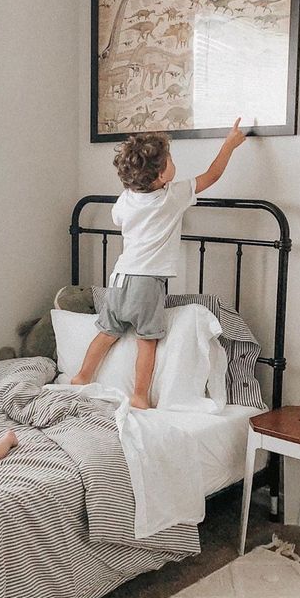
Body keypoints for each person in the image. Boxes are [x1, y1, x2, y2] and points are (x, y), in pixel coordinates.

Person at [71, 119, 247, 408]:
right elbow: (211, 176)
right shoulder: (171, 196)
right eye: (170, 159)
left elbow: (117, 219)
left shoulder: (126, 198)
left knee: (106, 332)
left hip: (118, 278)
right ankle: (139, 395)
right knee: (147, 341)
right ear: (162, 175)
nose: (173, 162)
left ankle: (81, 376)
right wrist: (229, 144)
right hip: (147, 283)